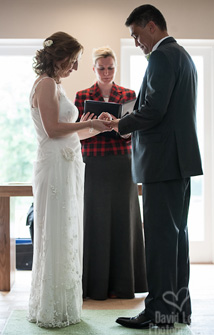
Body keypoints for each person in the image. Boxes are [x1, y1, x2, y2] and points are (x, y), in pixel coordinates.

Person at [110, 5, 203, 329]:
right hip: (179, 162)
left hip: (162, 164)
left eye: (136, 35)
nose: (137, 42)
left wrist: (119, 123)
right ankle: (177, 310)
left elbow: (153, 111)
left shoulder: (163, 57)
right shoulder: (183, 56)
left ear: (151, 26)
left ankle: (157, 314)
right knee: (177, 240)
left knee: (162, 242)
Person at [27, 32, 111, 328]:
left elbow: (73, 133)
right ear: (59, 57)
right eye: (73, 61)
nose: (75, 68)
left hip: (67, 163)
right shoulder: (46, 84)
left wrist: (98, 127)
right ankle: (51, 306)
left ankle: (62, 304)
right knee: (56, 231)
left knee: (66, 230)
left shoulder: (55, 85)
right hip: (55, 167)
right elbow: (52, 129)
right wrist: (87, 121)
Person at [74, 46, 147, 300]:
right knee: (94, 220)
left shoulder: (128, 94)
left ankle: (123, 284)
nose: (106, 72)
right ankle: (94, 286)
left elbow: (133, 132)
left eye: (111, 68)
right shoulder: (82, 95)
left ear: (115, 68)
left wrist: (118, 126)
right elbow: (76, 135)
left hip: (122, 165)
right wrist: (92, 124)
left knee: (123, 221)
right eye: (102, 68)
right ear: (94, 69)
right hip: (92, 164)